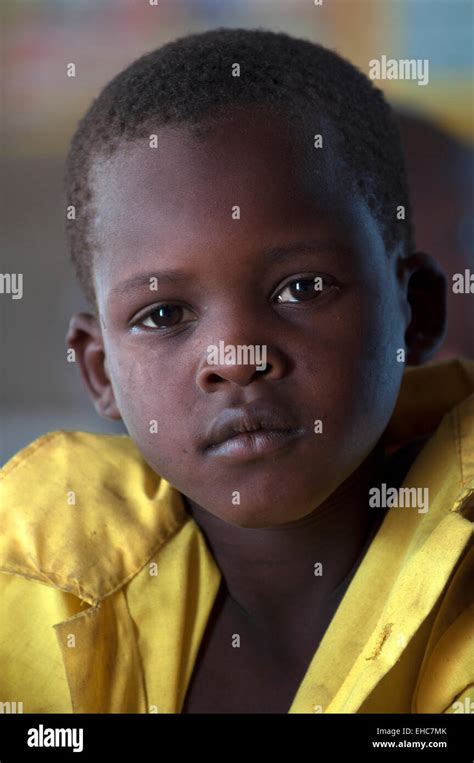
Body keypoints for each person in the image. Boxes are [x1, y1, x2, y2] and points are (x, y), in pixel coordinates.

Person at [0, 28, 472, 715]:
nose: (236, 358)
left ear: (416, 312)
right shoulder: (35, 569)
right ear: (100, 371)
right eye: (163, 315)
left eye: (303, 288)